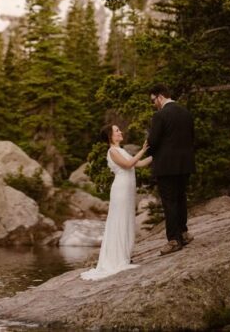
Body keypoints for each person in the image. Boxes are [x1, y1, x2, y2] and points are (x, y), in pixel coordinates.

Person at [80, 124, 151, 280]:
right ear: (110, 136)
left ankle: (124, 254)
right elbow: (128, 164)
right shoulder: (112, 151)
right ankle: (116, 258)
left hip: (127, 189)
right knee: (118, 220)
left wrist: (156, 155)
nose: (120, 132)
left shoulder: (121, 150)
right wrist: (143, 150)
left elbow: (138, 164)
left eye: (119, 130)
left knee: (126, 220)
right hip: (120, 190)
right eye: (117, 131)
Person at [146, 83, 195, 255]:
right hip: (185, 164)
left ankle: (174, 240)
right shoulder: (186, 113)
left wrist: (149, 148)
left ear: (160, 96)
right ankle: (184, 233)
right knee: (181, 198)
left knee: (169, 202)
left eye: (153, 100)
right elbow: (191, 138)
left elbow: (152, 142)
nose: (154, 104)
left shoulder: (160, 115)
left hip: (166, 166)